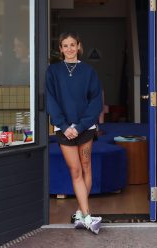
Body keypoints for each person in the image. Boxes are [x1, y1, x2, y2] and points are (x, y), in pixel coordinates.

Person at [45, 32, 103, 234]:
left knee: (86, 166)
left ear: (79, 46)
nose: (69, 49)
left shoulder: (89, 71)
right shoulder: (52, 71)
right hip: (64, 130)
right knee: (76, 171)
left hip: (85, 128)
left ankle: (81, 212)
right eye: (65, 45)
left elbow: (96, 102)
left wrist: (79, 127)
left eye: (72, 45)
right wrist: (64, 124)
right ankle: (87, 216)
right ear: (60, 49)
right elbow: (51, 100)